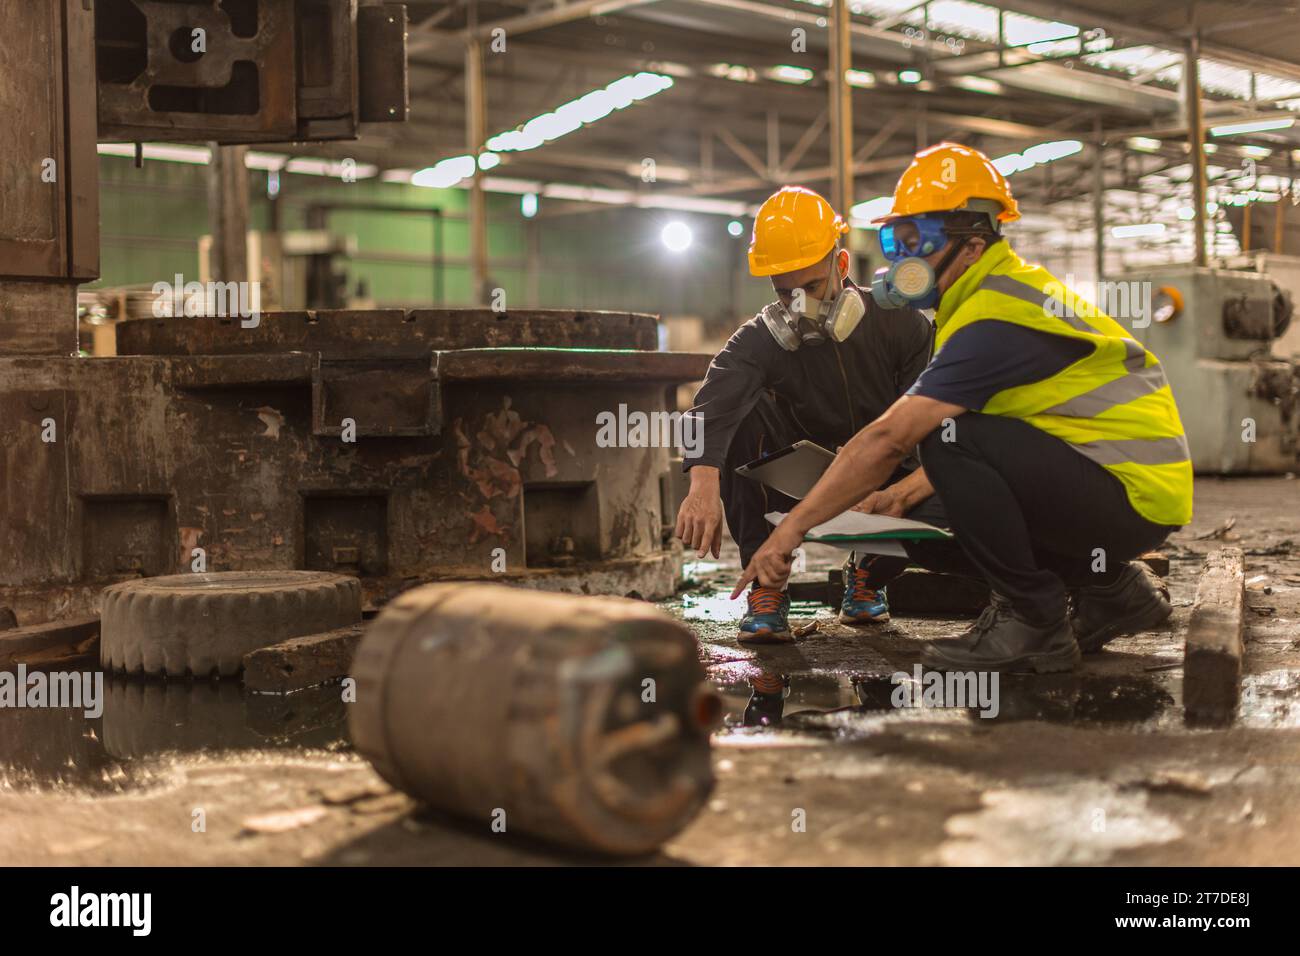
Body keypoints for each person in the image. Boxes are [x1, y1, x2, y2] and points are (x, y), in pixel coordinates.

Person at [733, 143, 1192, 673]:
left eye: (918, 242)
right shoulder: (977, 300)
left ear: (973, 245)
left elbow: (889, 439)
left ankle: (1033, 620)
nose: (902, 261)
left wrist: (789, 532)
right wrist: (898, 496)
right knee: (917, 526)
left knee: (948, 436)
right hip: (1109, 483)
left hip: (1132, 491)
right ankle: (1111, 589)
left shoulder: (995, 313)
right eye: (895, 241)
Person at [675, 186, 938, 644]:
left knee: (936, 461)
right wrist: (702, 481)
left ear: (840, 266)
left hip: (887, 473)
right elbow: (708, 407)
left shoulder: (899, 322)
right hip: (803, 481)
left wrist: (899, 481)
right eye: (785, 293)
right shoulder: (758, 340)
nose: (801, 308)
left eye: (812, 288)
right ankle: (768, 589)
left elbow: (931, 412)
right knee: (740, 413)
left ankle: (870, 575)